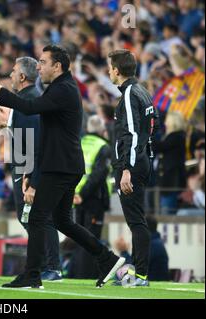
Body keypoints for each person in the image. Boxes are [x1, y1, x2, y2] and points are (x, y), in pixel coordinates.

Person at [0, 45, 125, 289]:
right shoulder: (61, 88)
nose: (39, 67)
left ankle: (33, 274)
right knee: (62, 221)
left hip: (60, 166)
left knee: (37, 217)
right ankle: (107, 259)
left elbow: (29, 108)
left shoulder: (63, 90)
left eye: (43, 62)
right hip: (66, 165)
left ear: (57, 66)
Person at [0, 81, 62, 280]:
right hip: (24, 170)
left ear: (0, 110)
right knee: (27, 218)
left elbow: (35, 150)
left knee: (41, 219)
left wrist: (31, 178)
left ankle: (52, 266)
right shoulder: (14, 121)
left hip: (33, 172)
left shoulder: (22, 117)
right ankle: (44, 264)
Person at [107, 49, 158, 287]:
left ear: (116, 70)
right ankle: (138, 274)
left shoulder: (128, 93)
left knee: (136, 221)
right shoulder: (143, 92)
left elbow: (133, 133)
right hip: (142, 161)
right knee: (136, 220)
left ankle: (141, 276)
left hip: (132, 165)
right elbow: (152, 127)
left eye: (110, 67)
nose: (108, 71)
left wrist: (127, 168)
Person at [71, 115, 112, 279]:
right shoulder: (103, 147)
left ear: (88, 128)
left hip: (75, 198)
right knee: (91, 238)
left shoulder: (79, 143)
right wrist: (83, 194)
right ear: (103, 130)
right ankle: (86, 276)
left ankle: (77, 275)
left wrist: (74, 193)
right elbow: (98, 175)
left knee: (80, 238)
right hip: (93, 199)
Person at [153, 111, 187, 215]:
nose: (165, 124)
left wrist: (148, 134)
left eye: (167, 121)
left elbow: (159, 147)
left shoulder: (176, 137)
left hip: (171, 182)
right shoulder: (174, 136)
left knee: (167, 213)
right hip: (167, 182)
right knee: (164, 209)